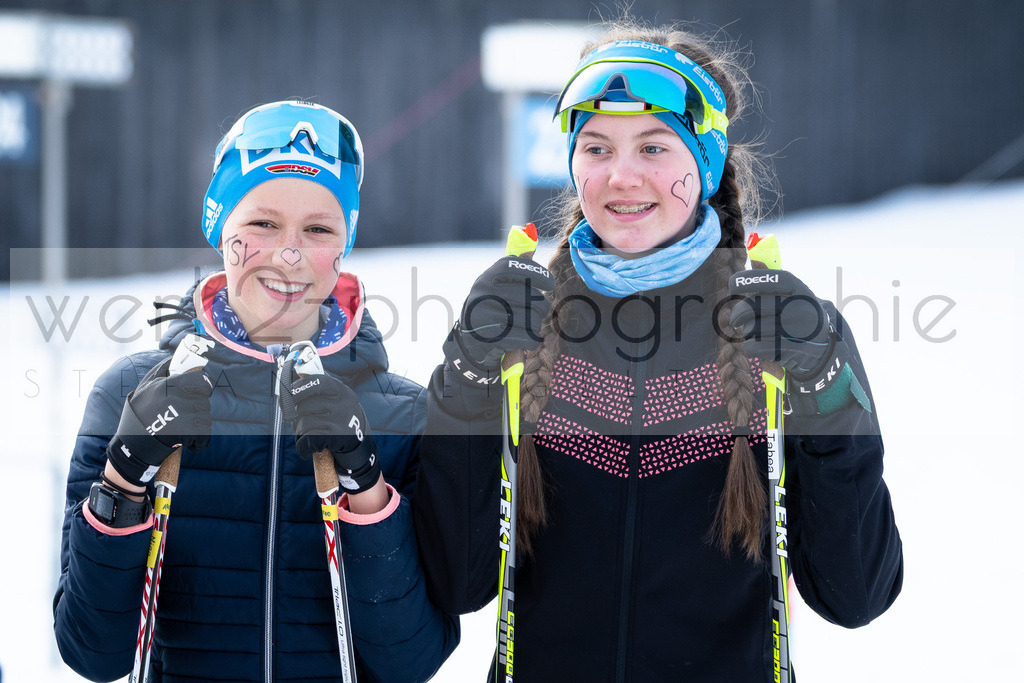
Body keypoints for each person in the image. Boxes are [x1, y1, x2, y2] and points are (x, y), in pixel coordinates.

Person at [414, 22, 903, 681]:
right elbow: (457, 582)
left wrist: (824, 380)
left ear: (705, 161)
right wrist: (466, 374)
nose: (621, 175)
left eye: (653, 146)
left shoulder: (789, 330)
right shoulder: (517, 323)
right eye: (596, 147)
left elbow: (856, 591)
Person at [54, 101, 458, 682]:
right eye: (262, 224)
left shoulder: (404, 413)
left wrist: (366, 487)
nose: (289, 254)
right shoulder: (129, 392)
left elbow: (410, 662)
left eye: (318, 229)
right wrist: (122, 481)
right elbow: (93, 653)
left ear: (343, 245)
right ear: (221, 228)